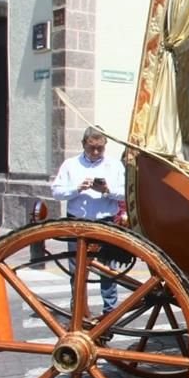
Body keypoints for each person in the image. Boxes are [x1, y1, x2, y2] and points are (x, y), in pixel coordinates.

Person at [51, 127, 125, 314]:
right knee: (77, 271)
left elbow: (126, 193)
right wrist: (76, 189)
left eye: (100, 148)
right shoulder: (70, 164)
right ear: (83, 144)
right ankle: (78, 310)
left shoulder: (115, 165)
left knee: (107, 270)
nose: (95, 152)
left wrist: (107, 190)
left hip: (105, 222)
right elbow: (57, 192)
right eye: (91, 147)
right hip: (77, 223)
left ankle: (110, 311)